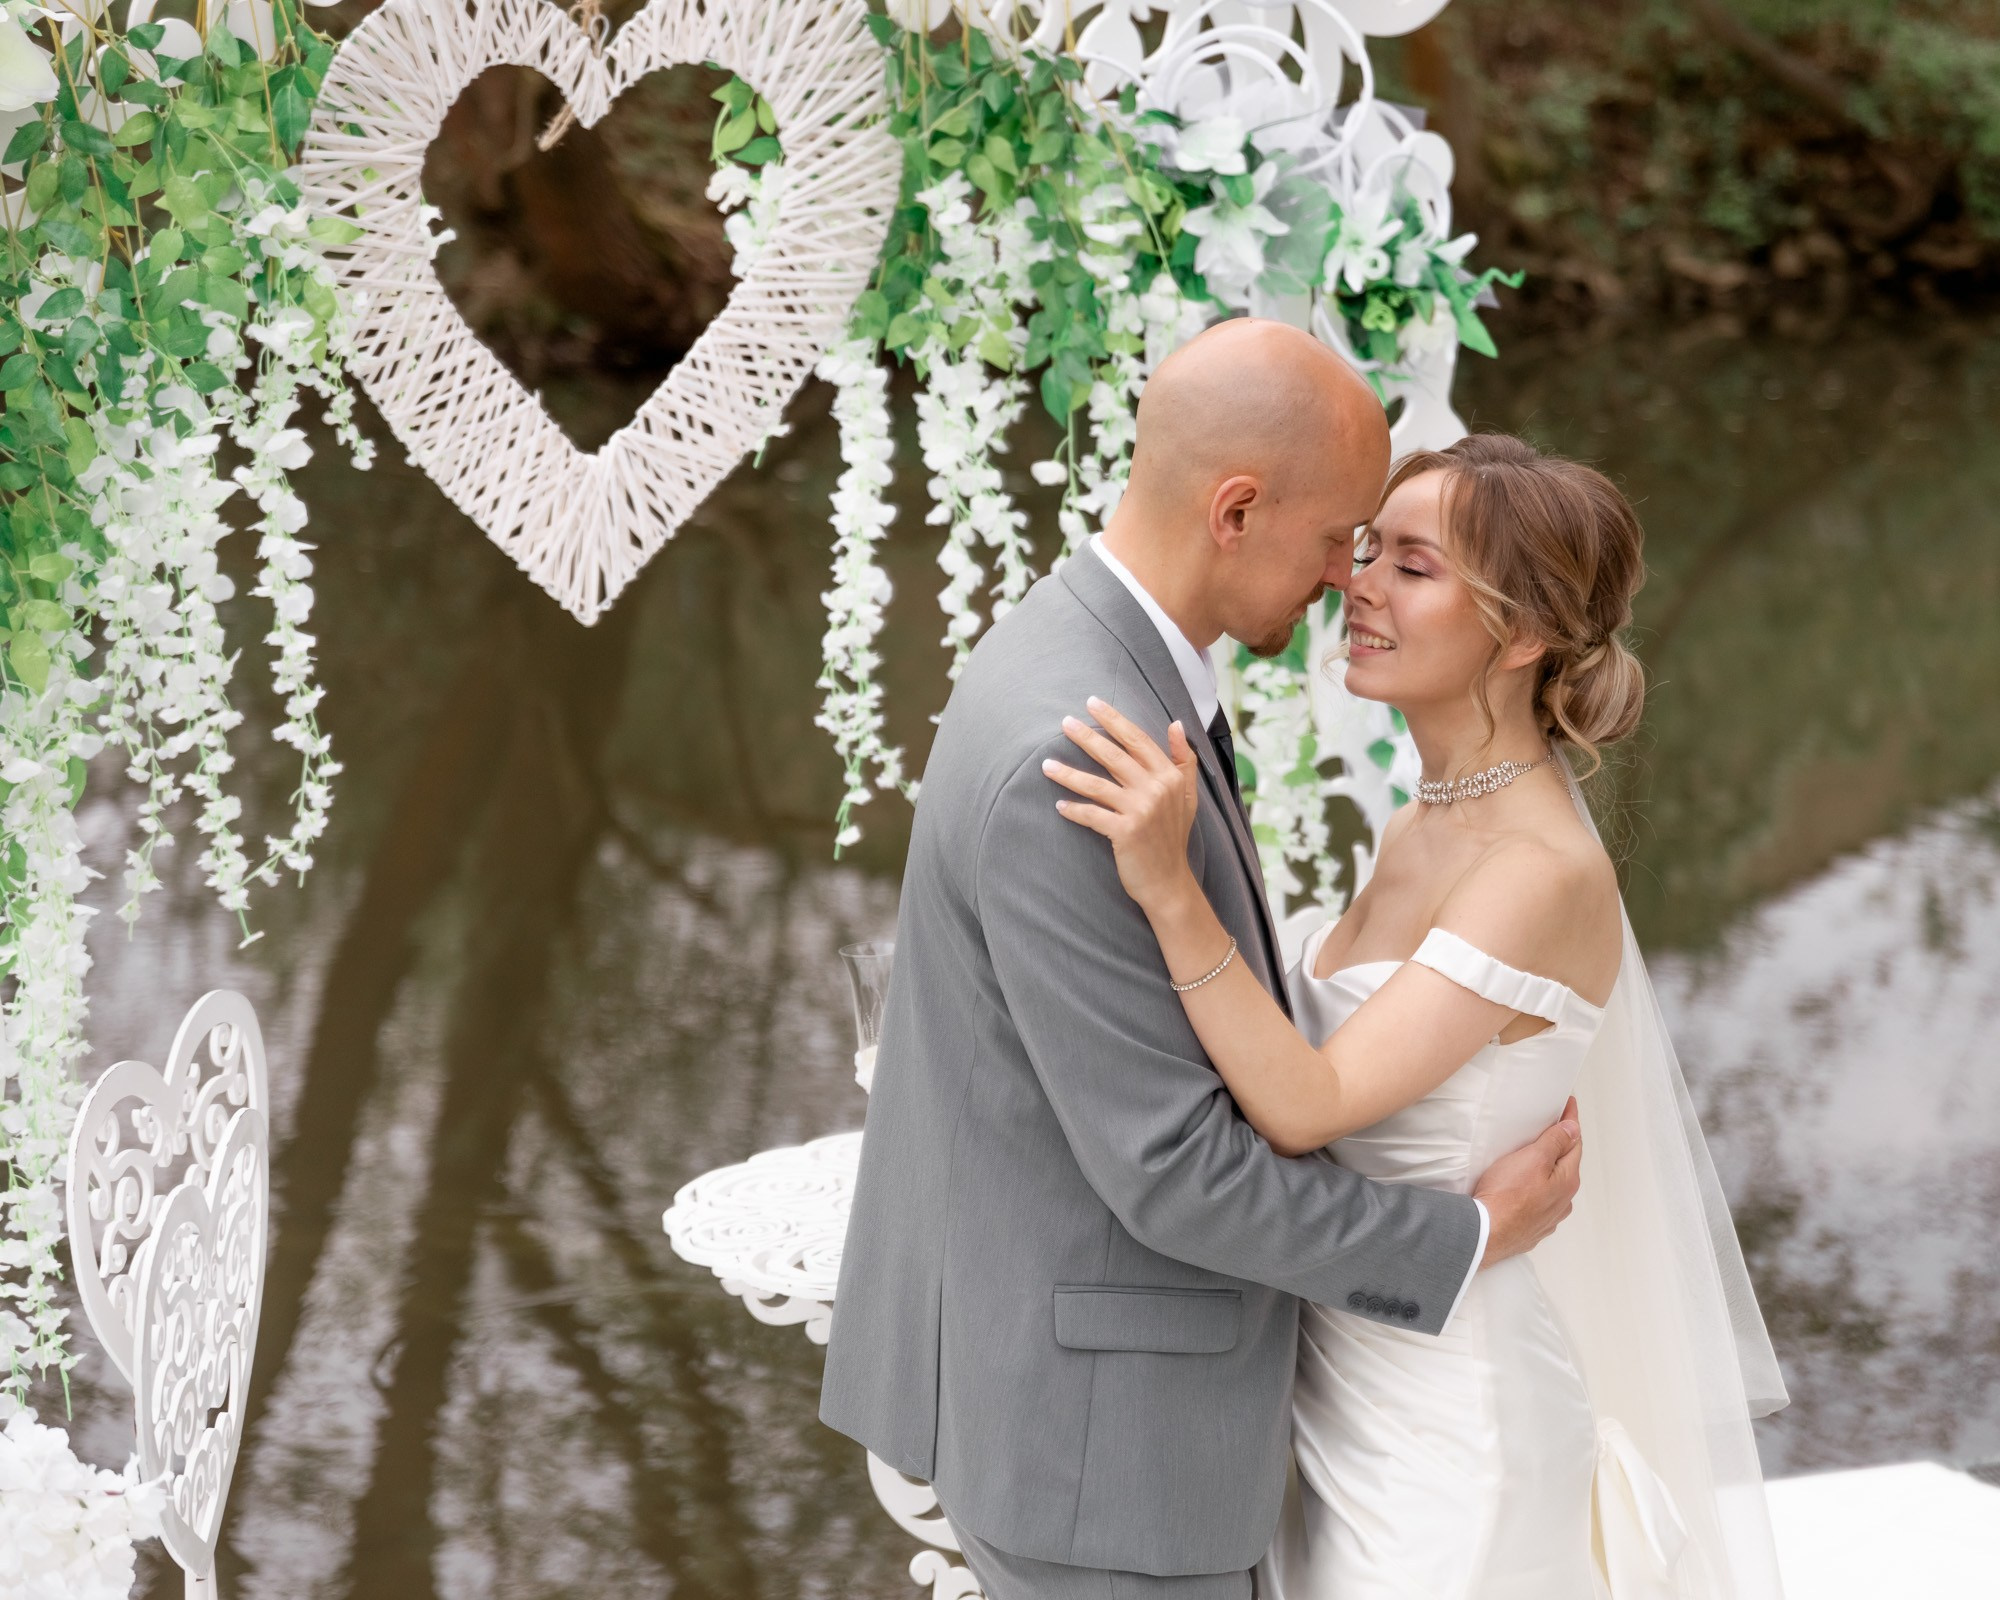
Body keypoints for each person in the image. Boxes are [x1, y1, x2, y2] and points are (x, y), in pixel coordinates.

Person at [821, 319, 1587, 1600]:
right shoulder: (1075, 749)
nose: (1347, 580)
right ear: (1235, 509)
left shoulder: (1085, 656)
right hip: (1106, 1453)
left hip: (1111, 1405)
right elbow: (1176, 1172)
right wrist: (1457, 1236)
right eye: (1344, 538)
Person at [1046, 431, 1789, 1597]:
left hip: (1451, 1429)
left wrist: (1165, 887)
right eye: (1366, 550)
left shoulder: (1534, 871)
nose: (1357, 583)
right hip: (1341, 1378)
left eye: (1413, 565)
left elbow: (1307, 1101)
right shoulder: (1423, 821)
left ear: (1525, 633)